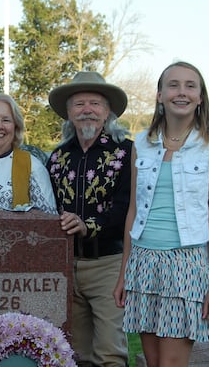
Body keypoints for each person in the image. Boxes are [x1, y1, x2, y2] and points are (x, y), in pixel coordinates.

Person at [113, 61, 209, 367]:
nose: (182, 92)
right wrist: (125, 273)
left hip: (185, 265)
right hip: (143, 262)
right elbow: (134, 212)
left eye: (191, 86)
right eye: (174, 85)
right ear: (159, 95)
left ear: (201, 97)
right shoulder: (142, 143)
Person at [47, 71, 134, 367]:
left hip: (108, 264)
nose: (87, 110)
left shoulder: (126, 153)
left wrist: (88, 226)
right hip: (66, 264)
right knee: (74, 353)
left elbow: (125, 208)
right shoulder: (57, 158)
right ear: (69, 113)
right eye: (79, 104)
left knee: (110, 352)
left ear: (108, 111)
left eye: (95, 103)